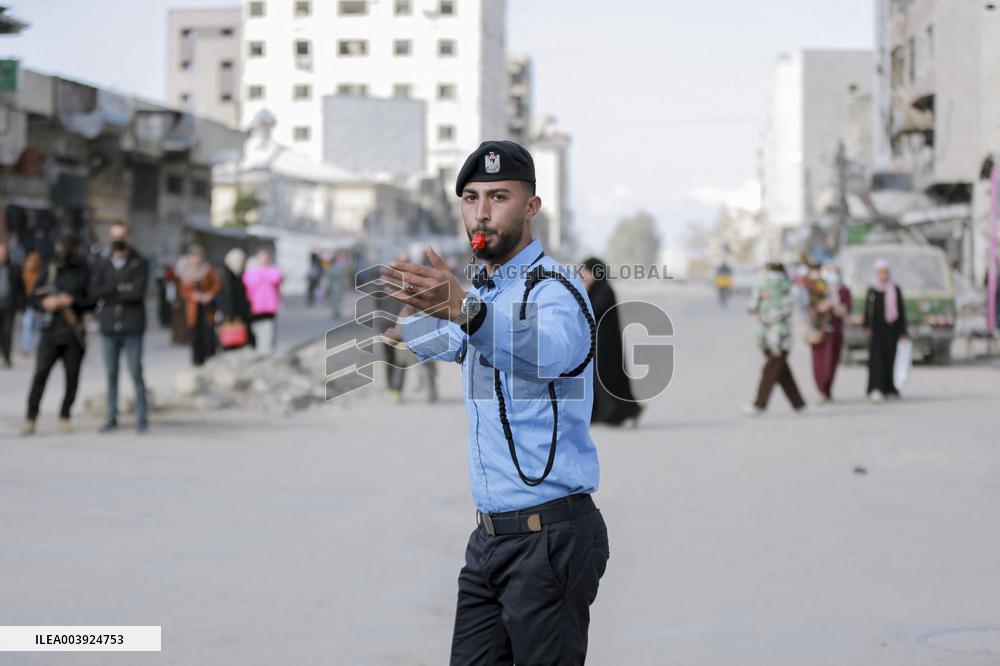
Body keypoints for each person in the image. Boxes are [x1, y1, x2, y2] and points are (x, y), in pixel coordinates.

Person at [384, 140, 608, 664]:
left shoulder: (556, 290)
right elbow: (449, 340)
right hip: (490, 539)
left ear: (532, 207)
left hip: (550, 538)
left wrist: (466, 313)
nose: (481, 212)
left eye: (499, 196)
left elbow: (545, 350)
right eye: (470, 197)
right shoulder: (486, 295)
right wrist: (411, 317)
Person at [23, 234, 93, 435]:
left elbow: (93, 300)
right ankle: (31, 417)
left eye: (67, 247)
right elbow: (34, 297)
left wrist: (71, 301)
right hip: (50, 331)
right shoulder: (50, 269)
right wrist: (45, 303)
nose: (63, 251)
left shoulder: (83, 271)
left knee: (72, 378)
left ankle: (65, 414)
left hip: (73, 333)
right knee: (40, 374)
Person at [90, 221, 150, 433]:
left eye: (121, 236)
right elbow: (95, 291)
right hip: (108, 327)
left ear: (129, 237)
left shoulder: (139, 262)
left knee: (135, 372)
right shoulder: (102, 262)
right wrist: (120, 287)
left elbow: (137, 292)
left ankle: (142, 418)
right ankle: (111, 417)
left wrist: (112, 293)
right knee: (110, 373)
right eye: (114, 236)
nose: (117, 240)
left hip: (132, 326)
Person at [581, 256, 642, 426]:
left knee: (610, 380)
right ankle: (603, 414)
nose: (583, 275)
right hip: (597, 344)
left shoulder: (605, 291)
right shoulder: (594, 290)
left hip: (606, 345)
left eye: (586, 271)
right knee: (598, 380)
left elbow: (591, 311)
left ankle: (629, 410)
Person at [744, 262, 806, 415]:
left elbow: (783, 311)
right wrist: (760, 298)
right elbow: (750, 308)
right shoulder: (761, 289)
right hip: (765, 338)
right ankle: (798, 404)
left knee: (770, 370)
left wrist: (767, 307)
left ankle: (759, 405)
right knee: (782, 372)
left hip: (780, 339)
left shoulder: (789, 290)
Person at [864, 258, 908, 402]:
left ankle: (891, 388)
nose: (883, 274)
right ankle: (876, 388)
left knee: (891, 360)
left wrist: (903, 332)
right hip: (876, 333)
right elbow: (867, 312)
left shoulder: (895, 290)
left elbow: (901, 312)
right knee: (876, 361)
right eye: (880, 272)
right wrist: (866, 327)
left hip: (892, 332)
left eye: (885, 271)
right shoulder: (872, 291)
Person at [810, 263, 851, 403]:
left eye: (835, 272)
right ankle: (821, 390)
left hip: (835, 333)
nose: (832, 275)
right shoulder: (819, 289)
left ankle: (827, 390)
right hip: (820, 332)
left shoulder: (844, 291)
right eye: (830, 272)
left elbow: (846, 310)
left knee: (831, 363)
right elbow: (811, 309)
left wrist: (835, 306)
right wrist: (821, 307)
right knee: (819, 363)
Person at [178, 244, 221, 366]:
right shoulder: (185, 272)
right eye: (193, 256)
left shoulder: (207, 270)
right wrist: (193, 295)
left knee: (208, 335)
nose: (196, 259)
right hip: (193, 309)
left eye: (198, 256)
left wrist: (209, 294)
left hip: (207, 308)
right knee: (195, 337)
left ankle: (211, 361)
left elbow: (217, 284)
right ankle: (197, 362)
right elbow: (183, 291)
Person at [242, 248, 282, 354]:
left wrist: (263, 271)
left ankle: (268, 352)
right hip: (255, 307)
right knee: (257, 331)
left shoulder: (273, 270)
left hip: (269, 307)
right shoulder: (251, 272)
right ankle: (260, 352)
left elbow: (276, 279)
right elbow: (248, 283)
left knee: (269, 332)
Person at [218, 247, 254, 351]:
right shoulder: (227, 275)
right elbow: (228, 296)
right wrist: (230, 315)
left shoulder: (236, 274)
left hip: (239, 312)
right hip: (233, 314)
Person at [0, 241, 26, 368]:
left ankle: (7, 357)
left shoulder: (14, 268)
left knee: (7, 332)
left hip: (9, 305)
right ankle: (2, 354)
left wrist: (23, 303)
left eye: (3, 253)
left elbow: (21, 288)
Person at [20, 250, 41, 356]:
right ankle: (26, 347)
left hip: (37, 304)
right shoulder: (25, 274)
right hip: (29, 304)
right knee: (27, 324)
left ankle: (37, 346)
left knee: (37, 326)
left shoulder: (39, 275)